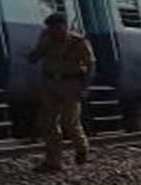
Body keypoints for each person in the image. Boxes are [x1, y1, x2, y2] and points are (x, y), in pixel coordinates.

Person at [28, 13, 96, 172]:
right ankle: (53, 161)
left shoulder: (78, 42)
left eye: (56, 27)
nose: (54, 31)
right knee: (48, 123)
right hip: (51, 85)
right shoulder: (47, 40)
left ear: (64, 26)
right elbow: (33, 58)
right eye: (51, 28)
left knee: (69, 122)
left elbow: (90, 65)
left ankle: (82, 148)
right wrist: (39, 44)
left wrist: (85, 87)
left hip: (71, 85)